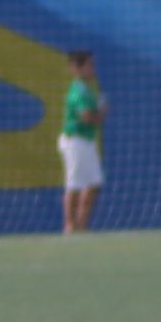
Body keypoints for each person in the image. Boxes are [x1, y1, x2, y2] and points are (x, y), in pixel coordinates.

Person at [56, 49, 104, 233]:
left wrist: (99, 113)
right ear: (77, 68)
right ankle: (69, 225)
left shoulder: (87, 90)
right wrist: (101, 114)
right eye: (89, 65)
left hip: (87, 141)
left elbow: (93, 116)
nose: (93, 68)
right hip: (75, 141)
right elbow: (86, 117)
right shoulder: (78, 91)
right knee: (74, 184)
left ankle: (82, 225)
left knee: (94, 183)